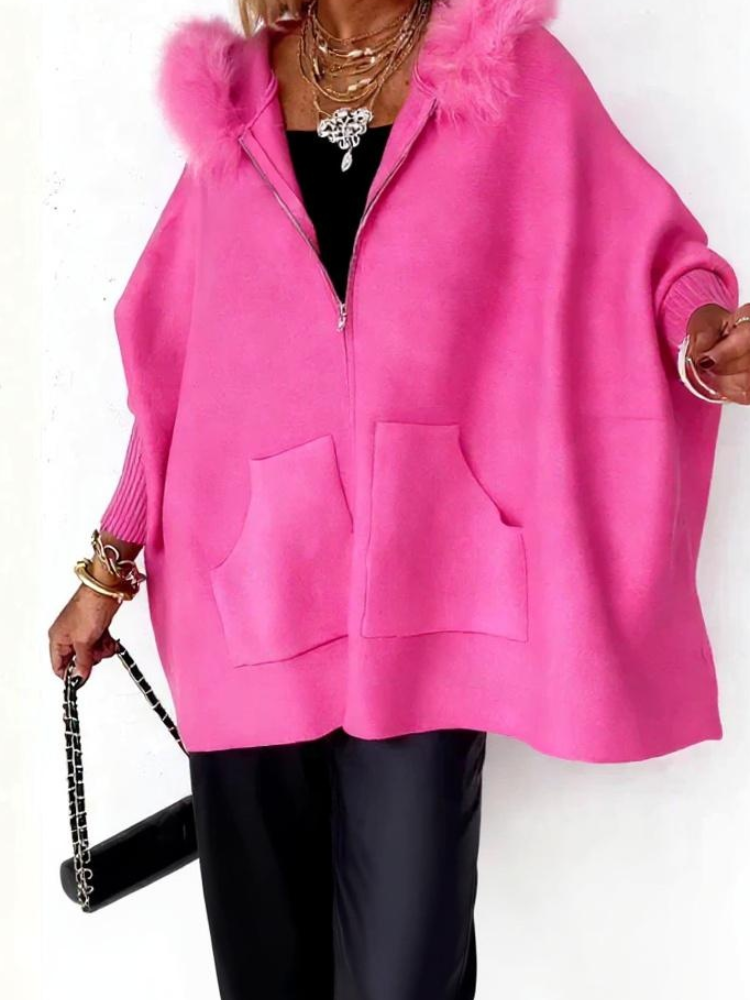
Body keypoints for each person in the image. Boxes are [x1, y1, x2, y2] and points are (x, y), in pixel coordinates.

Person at [48, 2, 749, 998]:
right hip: (243, 604)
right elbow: (178, 370)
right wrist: (107, 568)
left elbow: (650, 257)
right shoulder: (235, 98)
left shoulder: (510, 73)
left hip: (429, 600)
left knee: (405, 976)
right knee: (266, 978)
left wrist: (704, 333)